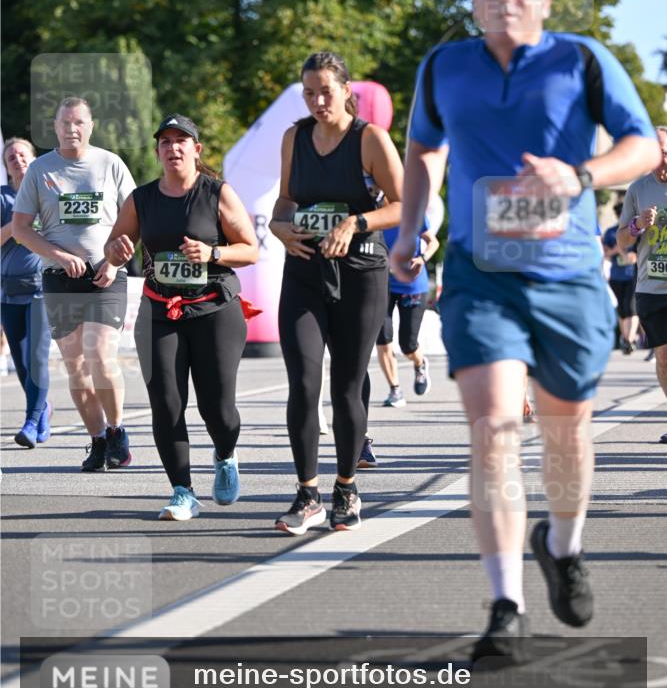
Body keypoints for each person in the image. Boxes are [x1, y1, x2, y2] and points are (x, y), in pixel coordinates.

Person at [391, 0, 659, 661]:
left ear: (543, 0)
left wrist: (579, 176)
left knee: (566, 433)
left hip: (568, 275)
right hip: (481, 272)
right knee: (494, 426)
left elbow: (639, 146)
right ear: (473, 0)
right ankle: (504, 605)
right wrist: (412, 227)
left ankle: (562, 546)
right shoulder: (443, 66)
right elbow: (421, 150)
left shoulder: (583, 60)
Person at [270, 51, 403, 534]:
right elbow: (286, 199)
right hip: (304, 269)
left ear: (347, 90)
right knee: (304, 384)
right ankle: (307, 494)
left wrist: (356, 221)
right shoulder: (295, 136)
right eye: (308, 92)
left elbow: (404, 205)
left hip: (361, 272)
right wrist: (277, 226)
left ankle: (346, 485)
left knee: (347, 385)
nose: (317, 100)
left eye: (326, 90)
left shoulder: (369, 139)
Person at [105, 114, 259, 520]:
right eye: (165, 142)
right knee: (167, 404)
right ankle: (182, 491)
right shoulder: (142, 199)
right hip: (160, 311)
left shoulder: (217, 193)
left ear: (196, 149)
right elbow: (115, 245)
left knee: (218, 408)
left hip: (214, 310)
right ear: (157, 151)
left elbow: (251, 249)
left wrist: (214, 254)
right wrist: (116, 252)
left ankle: (225, 454)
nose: (173, 148)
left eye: (181, 141)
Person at [12, 97, 135, 471]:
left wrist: (115, 262)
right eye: (65, 123)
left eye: (79, 122)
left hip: (105, 275)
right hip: (59, 279)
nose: (72, 129)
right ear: (55, 127)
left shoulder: (109, 163)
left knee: (100, 354)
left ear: (91, 126)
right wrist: (60, 256)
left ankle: (116, 431)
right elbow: (19, 229)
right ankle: (97, 441)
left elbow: (136, 217)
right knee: (76, 366)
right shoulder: (40, 169)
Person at [617, 126, 667, 441]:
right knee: (663, 357)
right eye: (657, 150)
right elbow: (622, 240)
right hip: (652, 287)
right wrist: (636, 225)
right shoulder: (638, 189)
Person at [1, 138, 52, 447]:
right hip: (8, 292)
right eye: (10, 157)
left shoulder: (49, 194)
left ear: (34, 159)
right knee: (21, 363)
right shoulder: (3, 198)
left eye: (22, 154)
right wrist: (19, 222)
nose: (17, 160)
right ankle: (41, 408)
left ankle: (31, 421)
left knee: (37, 357)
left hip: (42, 289)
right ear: (6, 167)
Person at [377, 220, 438, 407]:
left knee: (408, 344)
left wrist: (423, 258)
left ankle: (419, 364)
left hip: (413, 286)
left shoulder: (413, 211)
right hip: (383, 284)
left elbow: (433, 242)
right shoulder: (375, 213)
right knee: (383, 338)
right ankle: (395, 390)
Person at [602, 199, 639, 354]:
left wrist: (620, 250)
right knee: (622, 310)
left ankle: (630, 339)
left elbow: (632, 258)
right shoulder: (611, 232)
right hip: (616, 276)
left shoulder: (634, 231)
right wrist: (616, 250)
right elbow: (605, 253)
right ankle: (625, 339)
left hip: (632, 275)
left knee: (631, 308)